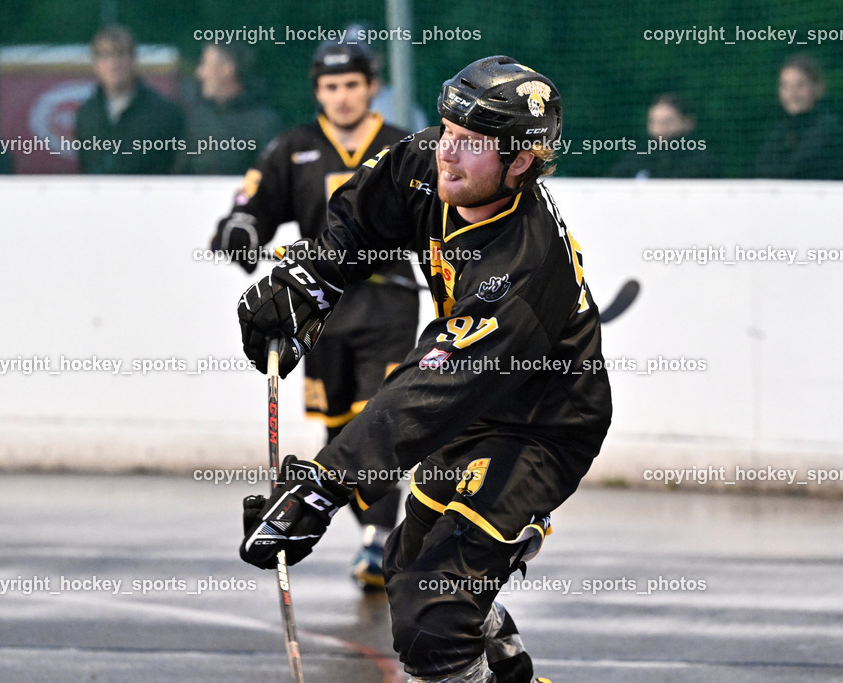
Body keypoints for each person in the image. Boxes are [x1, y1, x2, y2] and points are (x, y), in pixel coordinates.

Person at [236, 55, 611, 683]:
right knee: (409, 578)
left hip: (541, 425)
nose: (448, 153)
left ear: (522, 161)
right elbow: (359, 218)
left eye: (473, 144)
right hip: (469, 406)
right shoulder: (426, 161)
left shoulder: (522, 263)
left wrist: (324, 484)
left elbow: (433, 386)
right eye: (447, 131)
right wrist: (310, 281)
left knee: (434, 622)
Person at [211, 41, 417, 590]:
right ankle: (378, 536)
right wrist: (241, 227)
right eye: (330, 87)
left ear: (372, 86)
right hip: (318, 308)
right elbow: (252, 205)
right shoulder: (293, 147)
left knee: (381, 416)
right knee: (337, 427)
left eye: (352, 84)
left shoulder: (405, 147)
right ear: (316, 91)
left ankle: (378, 541)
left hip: (390, 303)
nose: (342, 97)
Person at [74, 25, 184, 174]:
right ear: (96, 64)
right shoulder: (86, 114)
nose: (114, 64)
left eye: (120, 54)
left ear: (134, 59)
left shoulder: (165, 113)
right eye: (105, 55)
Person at [177, 43, 282, 175]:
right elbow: (179, 178)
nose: (200, 74)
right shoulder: (199, 120)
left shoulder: (265, 124)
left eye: (205, 64)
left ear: (227, 69)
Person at [755, 54, 843, 180]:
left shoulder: (827, 126)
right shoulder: (782, 128)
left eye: (800, 85)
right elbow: (762, 166)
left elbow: (799, 168)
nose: (792, 93)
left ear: (818, 88)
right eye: (785, 86)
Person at [611, 92, 719, 178]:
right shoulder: (637, 160)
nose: (660, 128)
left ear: (688, 123)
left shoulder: (702, 161)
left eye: (667, 122)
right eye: (654, 122)